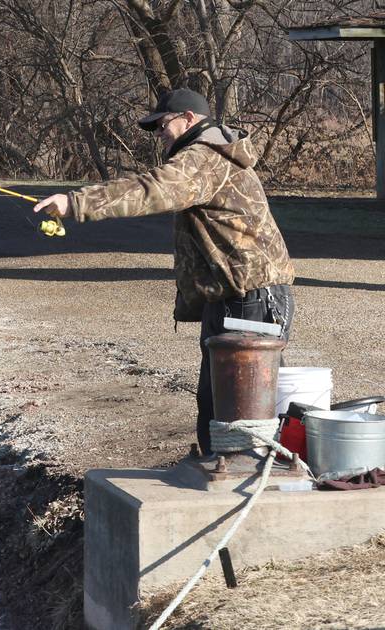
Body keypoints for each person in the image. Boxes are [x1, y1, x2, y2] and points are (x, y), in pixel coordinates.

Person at [32, 88, 295, 456]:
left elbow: (149, 190)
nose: (158, 134)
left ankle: (238, 480)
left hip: (248, 300)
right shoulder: (210, 153)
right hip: (237, 297)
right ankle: (225, 474)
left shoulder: (203, 158)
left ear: (188, 119)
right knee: (223, 407)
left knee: (236, 413)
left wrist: (75, 202)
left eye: (162, 125)